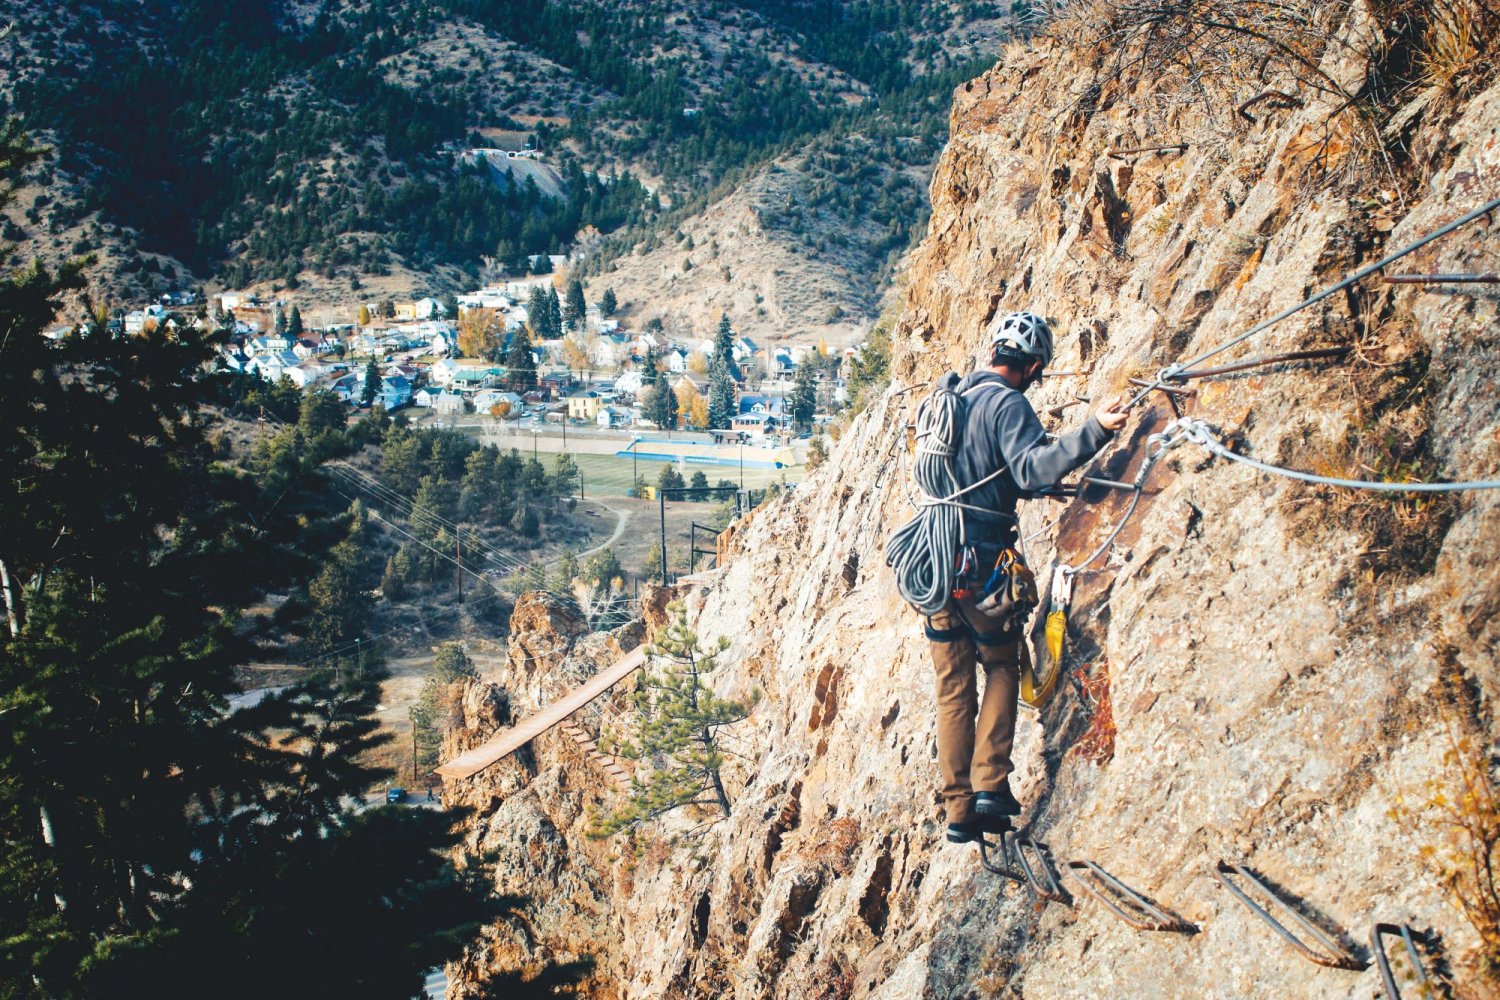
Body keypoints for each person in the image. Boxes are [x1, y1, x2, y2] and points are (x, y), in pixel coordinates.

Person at [929, 311, 1130, 843]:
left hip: (932, 565)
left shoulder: (953, 400)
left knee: (953, 690)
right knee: (999, 662)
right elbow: (1030, 468)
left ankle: (958, 811)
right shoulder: (1007, 403)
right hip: (978, 567)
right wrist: (1095, 431)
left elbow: (985, 472)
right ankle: (990, 784)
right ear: (1034, 365)